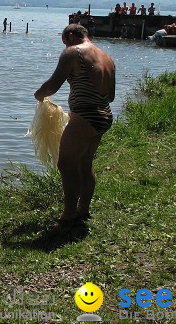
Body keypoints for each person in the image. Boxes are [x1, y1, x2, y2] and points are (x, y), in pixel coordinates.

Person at [34, 24, 115, 229]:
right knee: (84, 164)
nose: (64, 46)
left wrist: (39, 95)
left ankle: (69, 215)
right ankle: (83, 210)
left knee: (66, 164)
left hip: (86, 116)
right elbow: (111, 96)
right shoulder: (107, 57)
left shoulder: (73, 52)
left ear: (70, 36)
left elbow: (53, 85)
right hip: (104, 115)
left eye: (64, 41)